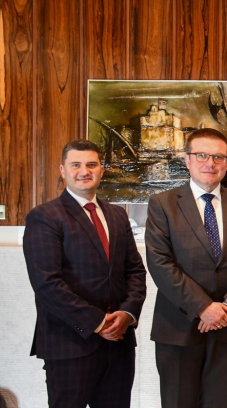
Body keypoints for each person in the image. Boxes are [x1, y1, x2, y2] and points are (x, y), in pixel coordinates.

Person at [145, 128, 227, 408]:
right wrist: (204, 307)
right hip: (178, 327)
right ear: (187, 160)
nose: (209, 163)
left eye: (217, 157)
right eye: (201, 155)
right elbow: (160, 263)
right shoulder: (163, 204)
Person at [23, 139, 147, 408]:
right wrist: (99, 322)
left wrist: (127, 314)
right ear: (62, 170)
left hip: (119, 343)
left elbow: (135, 271)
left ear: (102, 170)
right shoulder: (44, 216)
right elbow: (47, 283)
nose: (84, 171)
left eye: (92, 164)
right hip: (70, 343)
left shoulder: (117, 215)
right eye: (76, 165)